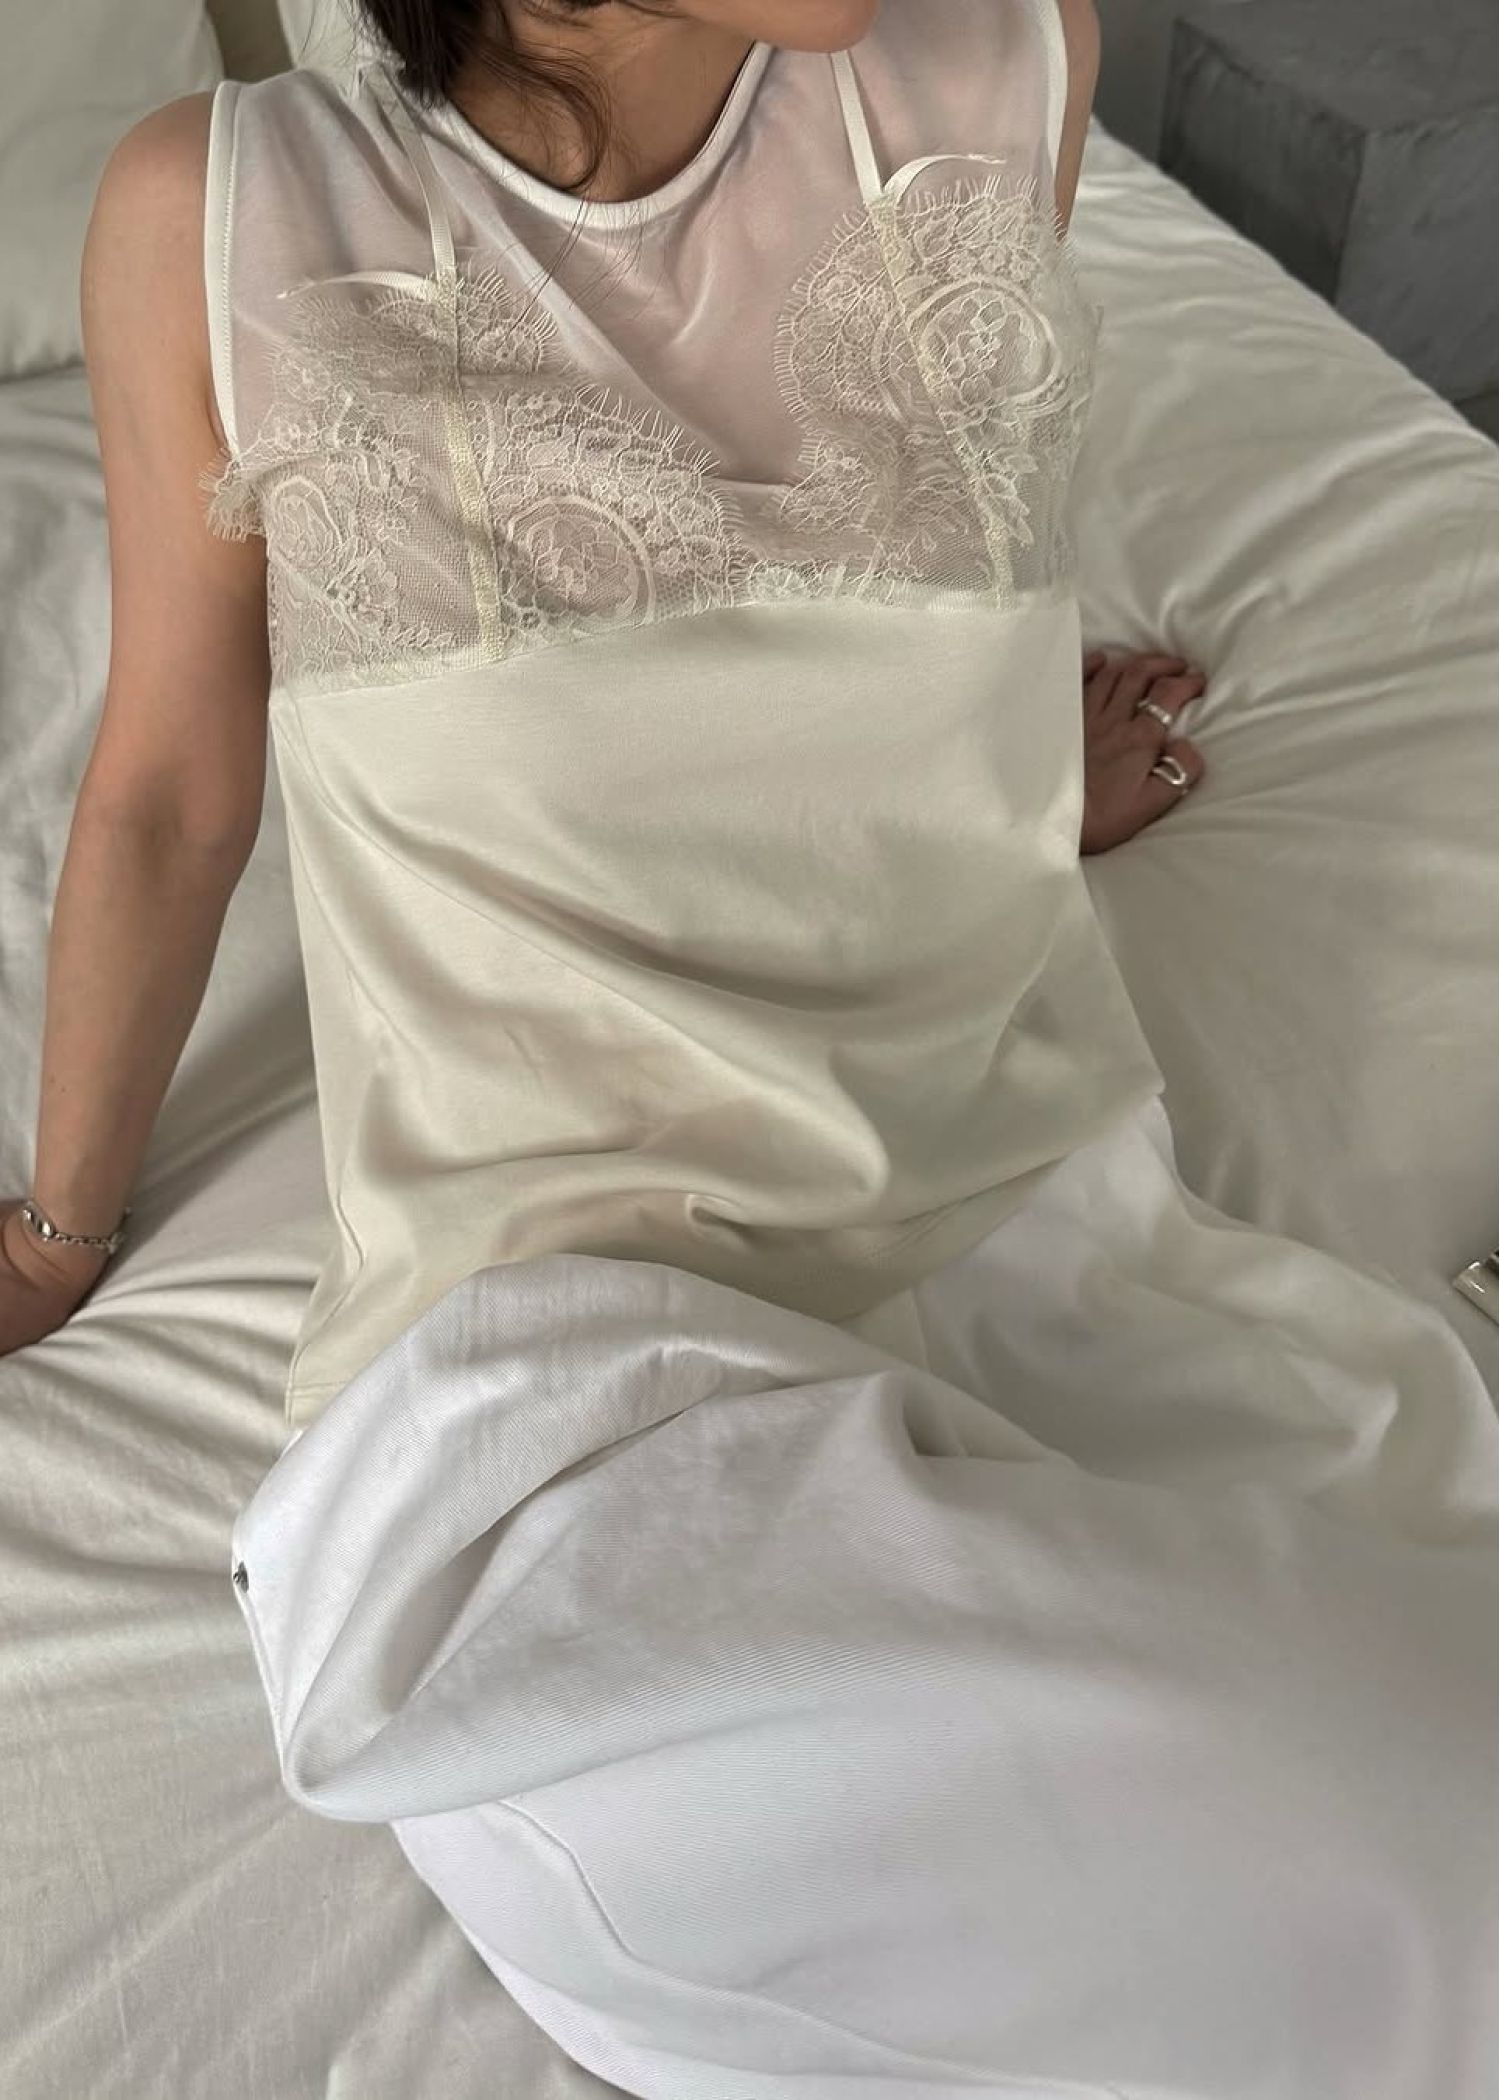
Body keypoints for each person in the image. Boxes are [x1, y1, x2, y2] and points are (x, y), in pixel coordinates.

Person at [4, 3, 1494, 2096]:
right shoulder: (226, 213)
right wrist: (57, 1235)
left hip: (1034, 1237)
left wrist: (994, 775)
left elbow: (948, 544)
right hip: (560, 1383)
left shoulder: (1007, 62)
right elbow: (172, 794)